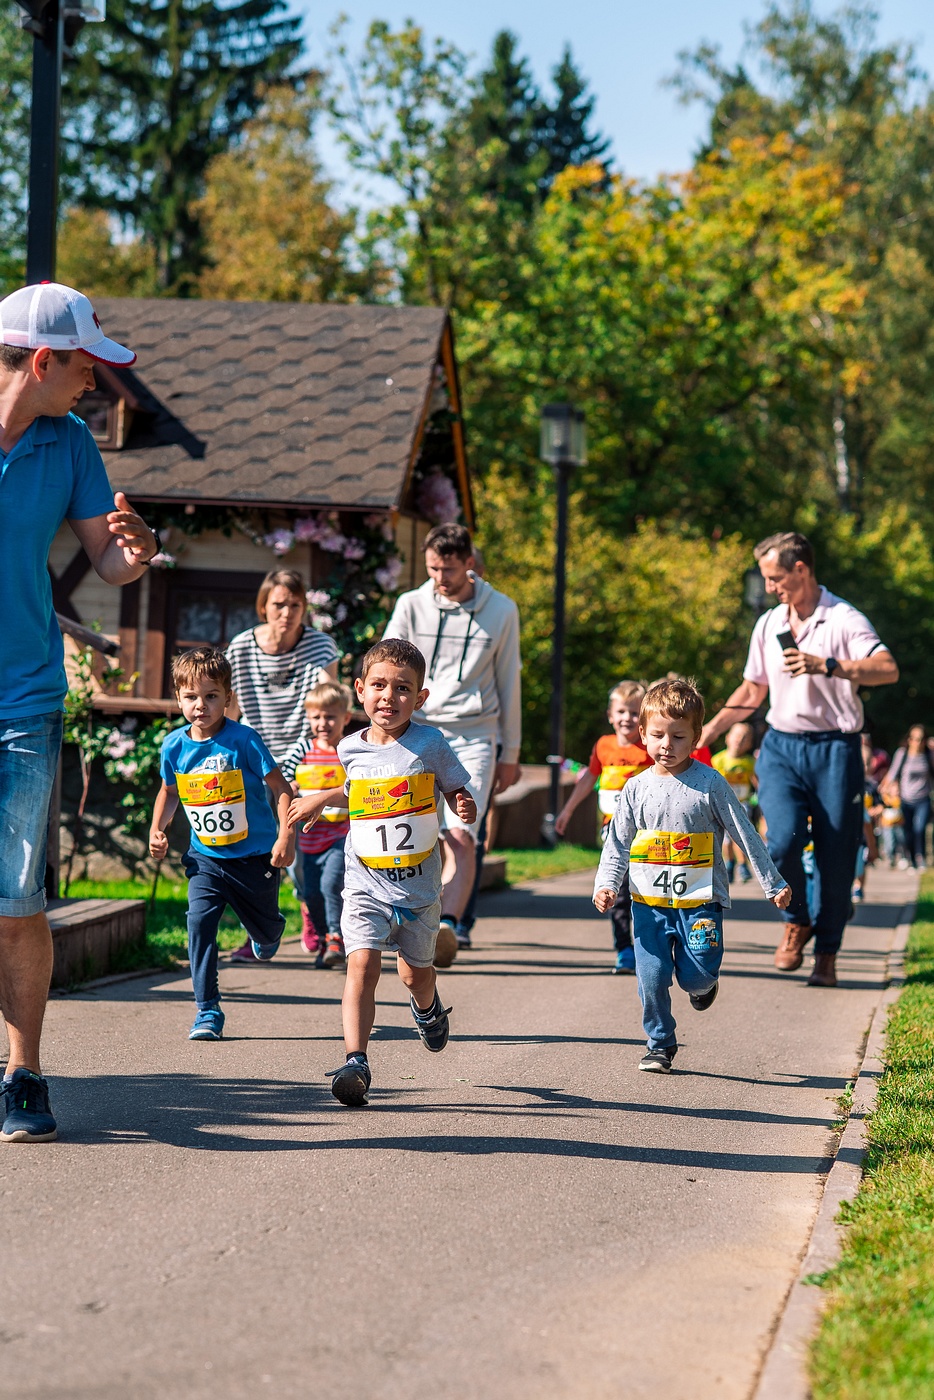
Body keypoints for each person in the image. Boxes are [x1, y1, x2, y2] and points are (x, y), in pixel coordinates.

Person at [0, 282, 159, 1143]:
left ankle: (23, 1074)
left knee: (18, 898)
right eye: (86, 366)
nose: (94, 383)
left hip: (23, 700)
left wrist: (138, 555)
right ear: (41, 360)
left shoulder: (67, 447)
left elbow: (107, 556)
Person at [699, 531, 898, 988]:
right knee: (779, 843)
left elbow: (887, 668)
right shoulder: (769, 624)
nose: (769, 587)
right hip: (783, 747)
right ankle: (798, 920)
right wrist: (710, 730)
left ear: (801, 570)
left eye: (775, 577)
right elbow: (752, 690)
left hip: (835, 749)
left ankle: (826, 952)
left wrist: (828, 664)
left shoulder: (843, 619)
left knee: (835, 857)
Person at [288, 639, 476, 1107]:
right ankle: (356, 1061)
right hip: (365, 880)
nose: (388, 697)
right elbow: (357, 792)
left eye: (402, 688)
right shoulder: (350, 747)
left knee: (415, 975)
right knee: (362, 964)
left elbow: (454, 787)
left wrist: (461, 803)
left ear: (421, 697)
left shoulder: (430, 743)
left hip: (417, 886)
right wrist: (320, 798)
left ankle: (428, 1009)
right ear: (359, 690)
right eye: (378, 686)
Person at [594, 679, 791, 1073]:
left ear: (696, 737)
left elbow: (744, 833)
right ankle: (660, 1043)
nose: (667, 744)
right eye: (657, 735)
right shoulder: (635, 789)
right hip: (648, 904)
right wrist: (606, 883)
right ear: (644, 735)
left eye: (678, 736)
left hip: (700, 902)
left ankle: (705, 986)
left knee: (697, 975)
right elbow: (617, 842)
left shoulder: (710, 783)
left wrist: (773, 883)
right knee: (650, 978)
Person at [382, 524, 521, 964]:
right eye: (433, 569)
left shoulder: (501, 610)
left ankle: (449, 927)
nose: (440, 578)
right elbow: (385, 659)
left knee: (462, 829)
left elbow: (509, 681)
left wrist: (511, 753)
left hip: (476, 731)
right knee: (420, 826)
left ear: (469, 564)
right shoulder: (411, 604)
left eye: (449, 569)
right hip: (418, 727)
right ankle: (424, 915)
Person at [149, 647, 295, 1041]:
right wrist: (157, 828)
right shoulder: (174, 747)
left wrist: (286, 835)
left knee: (264, 932)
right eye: (192, 697)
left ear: (228, 698)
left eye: (212, 696)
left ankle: (268, 934)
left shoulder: (243, 740)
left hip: (255, 857)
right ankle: (207, 1009)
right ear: (178, 698)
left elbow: (281, 789)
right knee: (199, 924)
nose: (202, 705)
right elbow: (169, 792)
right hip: (206, 858)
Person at [225, 568, 339, 961]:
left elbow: (329, 697)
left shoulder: (320, 646)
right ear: (263, 607)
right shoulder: (241, 648)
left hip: (302, 760)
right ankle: (255, 931)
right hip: (253, 757)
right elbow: (231, 708)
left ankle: (309, 910)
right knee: (252, 850)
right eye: (279, 604)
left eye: (295, 604)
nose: (287, 612)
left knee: (297, 843)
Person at [555, 680, 650, 973]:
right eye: (621, 711)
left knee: (645, 892)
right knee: (619, 892)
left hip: (648, 834)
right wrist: (567, 810)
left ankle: (654, 947)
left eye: (635, 713)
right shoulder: (603, 746)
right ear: (611, 714)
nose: (627, 718)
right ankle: (624, 950)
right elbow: (588, 779)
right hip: (613, 833)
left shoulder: (650, 746)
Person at [293, 681, 354, 969]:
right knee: (311, 893)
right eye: (316, 717)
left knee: (332, 884)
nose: (323, 723)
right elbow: (282, 773)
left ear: (346, 717)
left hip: (340, 836)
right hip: (308, 838)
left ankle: (335, 939)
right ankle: (321, 937)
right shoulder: (303, 749)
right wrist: (290, 783)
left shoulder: (348, 750)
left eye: (330, 717)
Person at [711, 721, 758, 883]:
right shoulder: (718, 760)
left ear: (749, 744)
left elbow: (756, 780)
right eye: (737, 736)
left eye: (745, 738)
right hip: (723, 803)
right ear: (728, 738)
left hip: (742, 803)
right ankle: (729, 862)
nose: (740, 740)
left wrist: (760, 794)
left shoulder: (749, 762)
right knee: (726, 838)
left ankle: (742, 864)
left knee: (740, 834)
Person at [884, 725, 933, 869]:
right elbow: (893, 773)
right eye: (915, 739)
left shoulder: (928, 755)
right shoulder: (902, 753)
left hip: (923, 799)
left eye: (921, 739)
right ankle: (911, 858)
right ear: (909, 739)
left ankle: (921, 857)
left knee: (920, 828)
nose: (918, 742)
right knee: (908, 831)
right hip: (905, 799)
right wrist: (886, 790)